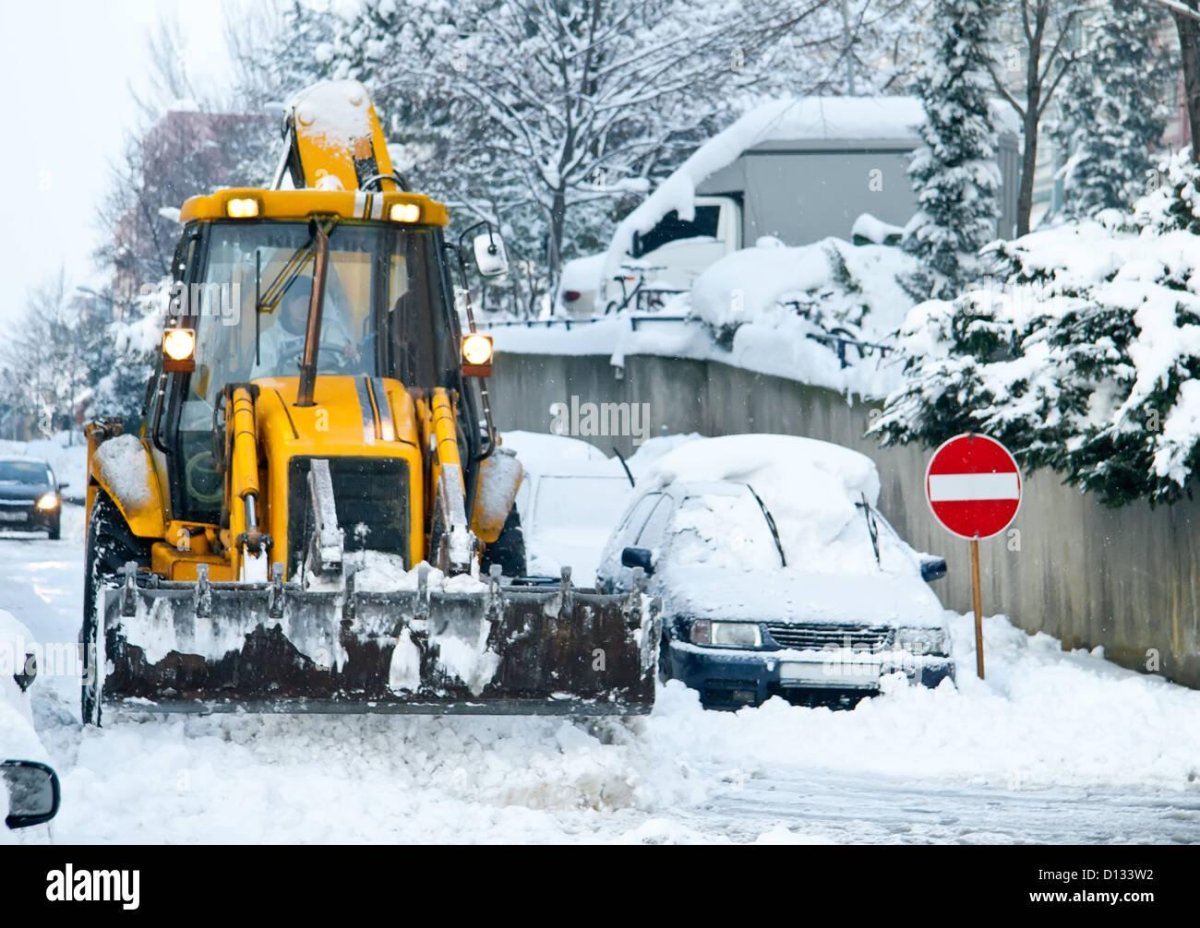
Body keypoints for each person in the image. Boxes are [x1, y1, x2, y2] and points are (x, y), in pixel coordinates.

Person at [251, 275, 360, 378]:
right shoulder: (269, 339)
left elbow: (346, 355)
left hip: (327, 386)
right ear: (287, 304)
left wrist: (349, 352)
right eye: (301, 301)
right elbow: (261, 379)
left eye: (310, 301)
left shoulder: (329, 329)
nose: (306, 306)